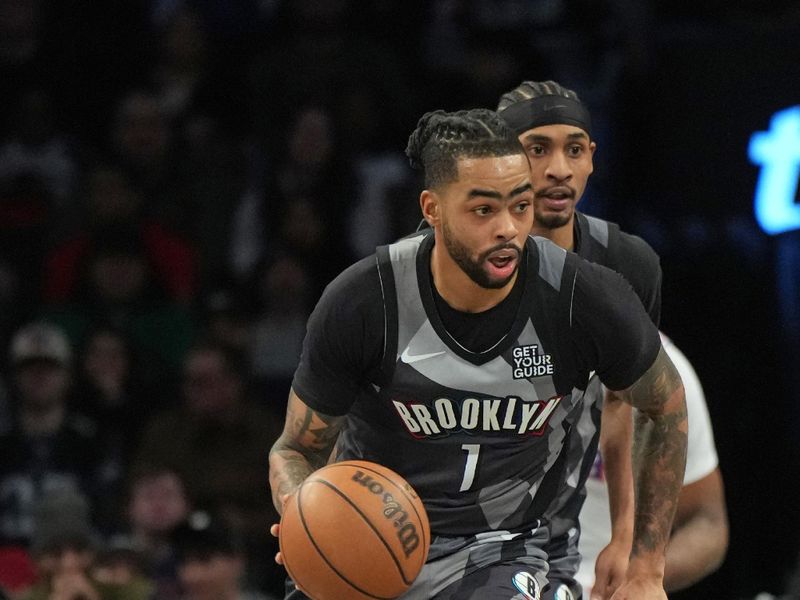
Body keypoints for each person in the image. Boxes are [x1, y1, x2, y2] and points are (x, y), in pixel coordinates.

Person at [269, 107, 687, 600]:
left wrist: (646, 568)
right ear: (432, 209)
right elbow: (295, 449)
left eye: (521, 205)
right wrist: (305, 509)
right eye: (484, 209)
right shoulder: (365, 301)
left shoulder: (582, 299)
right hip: (369, 544)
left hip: (507, 550)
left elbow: (665, 407)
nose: (509, 228)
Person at [495, 80, 728, 598]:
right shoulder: (443, 287)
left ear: (592, 159)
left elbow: (708, 521)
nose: (559, 168)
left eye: (574, 149)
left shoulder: (636, 289)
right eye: (538, 149)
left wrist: (639, 562)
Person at [577, 333, 728, 596]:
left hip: (601, 586)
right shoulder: (520, 348)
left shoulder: (670, 379)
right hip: (513, 570)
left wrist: (642, 575)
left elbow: (708, 522)